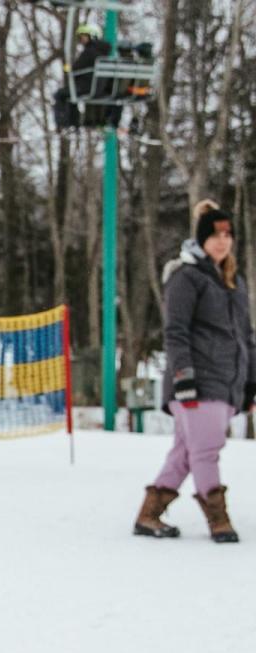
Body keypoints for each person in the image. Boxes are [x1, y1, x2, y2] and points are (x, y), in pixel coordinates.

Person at [134, 199, 253, 543]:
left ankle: (149, 515)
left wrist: (250, 384)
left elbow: (246, 336)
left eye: (227, 234)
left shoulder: (233, 281)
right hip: (198, 382)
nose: (222, 241)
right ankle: (219, 520)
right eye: (215, 235)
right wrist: (184, 377)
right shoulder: (186, 278)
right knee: (206, 449)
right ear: (201, 239)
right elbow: (176, 332)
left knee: (186, 452)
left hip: (228, 381)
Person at [53, 22, 113, 129]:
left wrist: (68, 68)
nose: (82, 40)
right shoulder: (104, 52)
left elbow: (76, 68)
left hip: (88, 86)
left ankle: (65, 124)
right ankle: (73, 124)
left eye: (84, 37)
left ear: (92, 36)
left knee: (60, 95)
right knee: (70, 94)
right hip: (100, 87)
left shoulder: (90, 51)